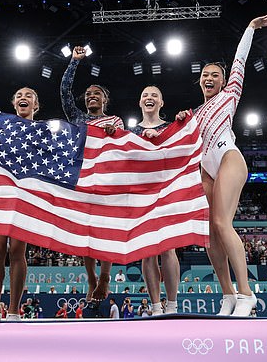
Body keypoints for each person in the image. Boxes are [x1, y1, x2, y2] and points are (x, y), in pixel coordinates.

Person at [177, 13, 267, 317]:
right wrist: (178, 124)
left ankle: (246, 294)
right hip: (206, 169)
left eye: (215, 75)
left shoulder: (230, 95)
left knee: (222, 223)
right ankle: (228, 295)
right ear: (199, 80)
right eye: (205, 75)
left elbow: (239, 62)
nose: (209, 78)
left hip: (229, 158)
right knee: (209, 235)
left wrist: (249, 27)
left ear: (222, 81)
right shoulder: (193, 113)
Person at [60, 45, 124, 307]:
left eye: (96, 93)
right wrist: (74, 62)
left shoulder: (116, 120)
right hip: (81, 178)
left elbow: (124, 147)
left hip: (106, 179)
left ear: (105, 100)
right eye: (87, 94)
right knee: (85, 234)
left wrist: (114, 133)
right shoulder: (76, 118)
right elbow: (64, 93)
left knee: (103, 231)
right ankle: (90, 278)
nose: (91, 97)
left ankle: (106, 276)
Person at [0, 87, 40, 321]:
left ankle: (13, 310)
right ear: (14, 103)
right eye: (19, 95)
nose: (23, 98)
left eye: (29, 95)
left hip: (26, 192)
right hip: (1, 189)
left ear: (36, 105)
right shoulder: (0, 124)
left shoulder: (43, 130)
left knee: (17, 251)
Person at [127, 85, 178, 316]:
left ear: (161, 102)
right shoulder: (129, 132)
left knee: (168, 248)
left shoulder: (171, 128)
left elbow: (179, 157)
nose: (149, 98)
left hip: (165, 190)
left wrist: (161, 141)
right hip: (141, 194)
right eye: (145, 95)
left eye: (154, 95)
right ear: (139, 102)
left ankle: (172, 304)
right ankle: (156, 306)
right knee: (148, 250)